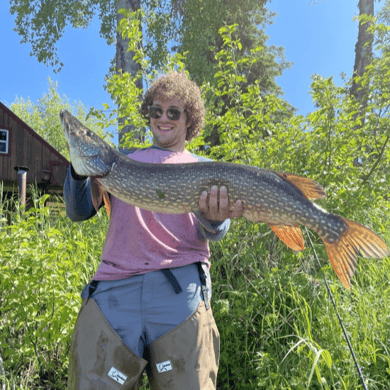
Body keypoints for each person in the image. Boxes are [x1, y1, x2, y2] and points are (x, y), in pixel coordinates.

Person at [65, 71, 243, 390]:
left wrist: (215, 219)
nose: (163, 117)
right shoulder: (119, 162)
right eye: (156, 110)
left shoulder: (203, 166)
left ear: (190, 119)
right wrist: (78, 171)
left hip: (180, 291)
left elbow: (216, 231)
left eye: (173, 112)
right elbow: (78, 212)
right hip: (114, 292)